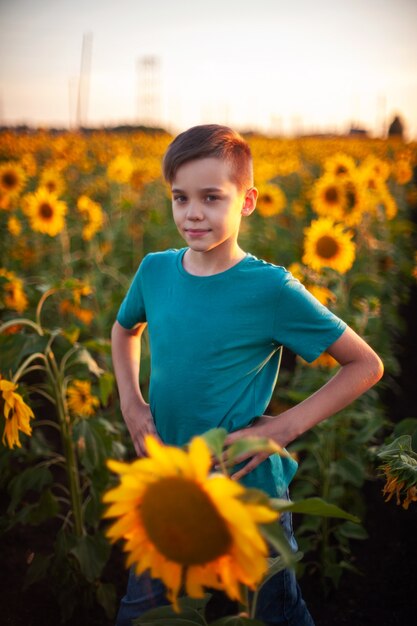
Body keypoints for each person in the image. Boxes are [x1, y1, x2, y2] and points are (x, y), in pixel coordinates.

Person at [111, 124, 384, 626]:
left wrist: (283, 427)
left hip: (247, 485)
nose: (193, 213)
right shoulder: (154, 271)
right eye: (180, 197)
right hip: (170, 479)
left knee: (269, 610)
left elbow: (365, 364)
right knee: (146, 610)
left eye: (211, 198)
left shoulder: (271, 289)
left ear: (248, 200)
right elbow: (125, 328)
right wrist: (132, 402)